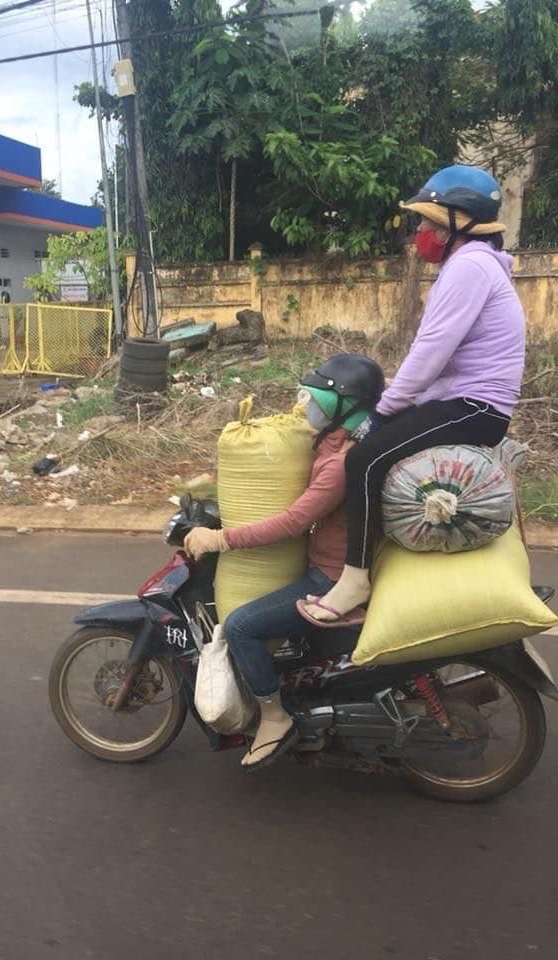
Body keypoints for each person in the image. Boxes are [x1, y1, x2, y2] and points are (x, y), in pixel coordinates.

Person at [297, 164, 526, 627]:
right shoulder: (477, 264)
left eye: (429, 222)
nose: (420, 232)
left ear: (460, 221)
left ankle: (354, 581)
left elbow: (429, 355)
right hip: (466, 403)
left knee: (362, 460)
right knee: (376, 454)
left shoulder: (469, 267)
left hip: (473, 409)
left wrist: (380, 415)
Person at [184, 354, 384, 771]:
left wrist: (219, 537)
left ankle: (274, 718)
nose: (306, 404)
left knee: (241, 625)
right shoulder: (334, 447)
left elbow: (294, 521)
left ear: (341, 406)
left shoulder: (340, 464)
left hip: (330, 577)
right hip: (328, 567)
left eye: (314, 398)